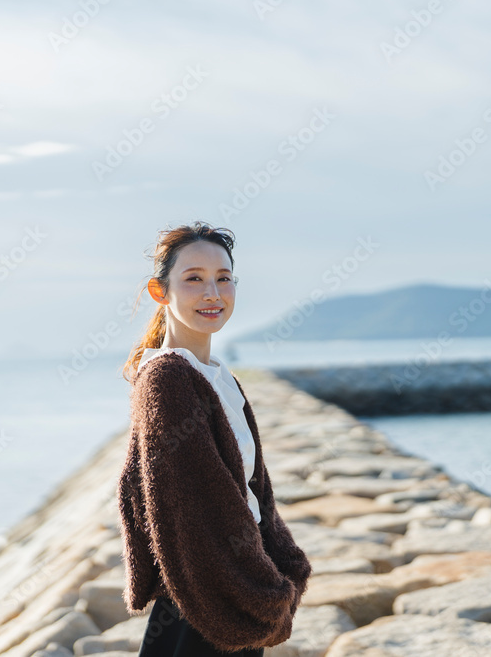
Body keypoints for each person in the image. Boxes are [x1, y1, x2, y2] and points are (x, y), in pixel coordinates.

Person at [117, 221, 312, 656]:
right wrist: (263, 589)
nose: (213, 293)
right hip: (205, 601)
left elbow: (253, 491)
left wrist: (285, 567)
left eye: (224, 279)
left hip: (231, 588)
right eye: (194, 279)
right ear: (159, 291)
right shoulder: (168, 379)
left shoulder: (220, 378)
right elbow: (198, 507)